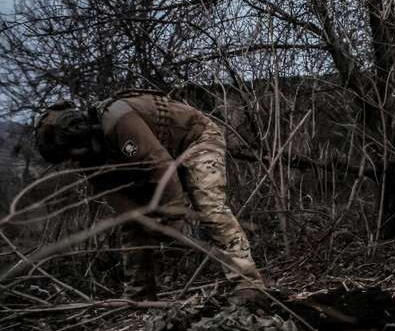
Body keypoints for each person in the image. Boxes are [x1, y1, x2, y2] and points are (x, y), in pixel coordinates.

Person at [33, 90, 265, 300]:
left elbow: (161, 166)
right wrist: (147, 220)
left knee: (209, 206)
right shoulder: (89, 160)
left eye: (71, 153)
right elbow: (121, 204)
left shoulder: (117, 120)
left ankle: (248, 283)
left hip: (196, 140)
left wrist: (173, 218)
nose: (73, 160)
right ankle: (139, 294)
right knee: (131, 225)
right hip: (156, 160)